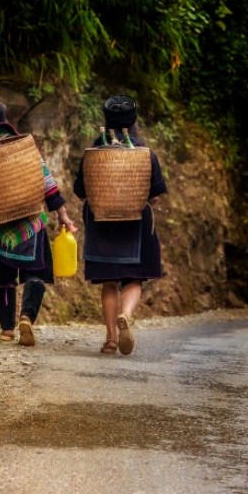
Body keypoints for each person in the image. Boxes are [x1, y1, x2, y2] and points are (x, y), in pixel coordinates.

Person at [0, 101, 78, 346]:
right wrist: (63, 215)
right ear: (5, 120)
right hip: (33, 222)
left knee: (5, 277)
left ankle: (7, 328)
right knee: (36, 272)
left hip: (1, 225)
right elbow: (47, 183)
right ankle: (27, 316)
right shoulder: (25, 147)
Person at [73, 95, 168, 355]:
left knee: (109, 283)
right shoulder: (145, 154)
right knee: (134, 279)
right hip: (136, 223)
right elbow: (156, 194)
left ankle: (111, 339)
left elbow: (81, 191)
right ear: (134, 120)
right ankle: (125, 314)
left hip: (101, 223)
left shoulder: (93, 154)